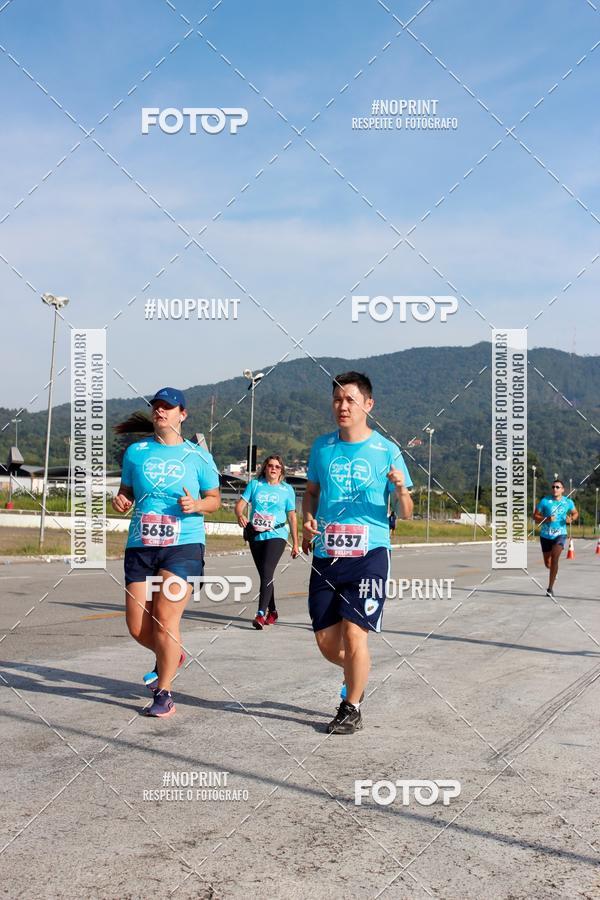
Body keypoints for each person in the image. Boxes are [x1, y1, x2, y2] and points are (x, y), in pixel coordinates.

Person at [302, 372, 413, 735]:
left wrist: (401, 490)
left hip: (370, 553)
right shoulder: (322, 447)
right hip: (327, 553)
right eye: (337, 399)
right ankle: (357, 673)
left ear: (368, 404)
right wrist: (306, 521)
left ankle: (351, 707)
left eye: (350, 399)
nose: (343, 406)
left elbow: (407, 512)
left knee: (354, 634)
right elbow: (312, 493)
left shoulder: (386, 450)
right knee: (326, 643)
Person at [112, 387, 221, 717]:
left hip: (183, 545)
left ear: (182, 415)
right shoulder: (136, 452)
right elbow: (126, 491)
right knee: (137, 627)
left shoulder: (198, 456)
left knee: (164, 619)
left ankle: (164, 693)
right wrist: (121, 500)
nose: (160, 411)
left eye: (168, 407)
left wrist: (196, 504)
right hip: (141, 544)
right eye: (156, 406)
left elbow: (214, 500)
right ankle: (171, 653)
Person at [235, 455, 299, 629]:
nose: (273, 469)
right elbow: (239, 505)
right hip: (256, 535)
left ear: (281, 470)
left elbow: (292, 517)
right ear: (265, 468)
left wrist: (296, 543)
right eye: (270, 465)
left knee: (267, 571)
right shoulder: (255, 485)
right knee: (265, 575)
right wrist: (240, 515)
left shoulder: (287, 490)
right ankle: (273, 611)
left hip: (277, 534)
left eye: (277, 467)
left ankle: (260, 614)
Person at [533, 479, 578, 597]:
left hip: (560, 534)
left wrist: (571, 519)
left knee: (555, 558)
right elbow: (535, 516)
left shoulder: (568, 502)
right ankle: (554, 571)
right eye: (553, 487)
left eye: (557, 487)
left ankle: (550, 588)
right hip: (545, 535)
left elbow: (575, 513)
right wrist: (546, 519)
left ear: (562, 490)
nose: (555, 489)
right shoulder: (545, 501)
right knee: (548, 563)